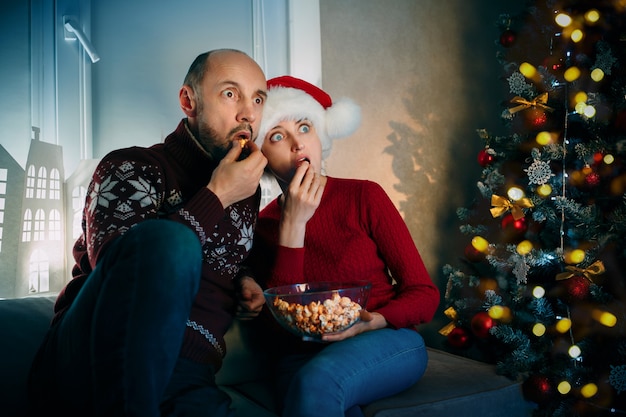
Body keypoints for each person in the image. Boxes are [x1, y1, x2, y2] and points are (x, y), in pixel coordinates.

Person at [27, 49, 268, 417]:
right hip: (93, 355)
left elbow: (227, 255)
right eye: (230, 93)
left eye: (258, 99)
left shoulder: (249, 192)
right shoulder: (131, 165)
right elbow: (123, 272)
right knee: (168, 241)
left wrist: (246, 280)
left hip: (188, 372)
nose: (247, 113)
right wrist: (217, 195)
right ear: (189, 101)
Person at [247, 75, 441, 417]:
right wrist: (293, 224)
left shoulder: (363, 196)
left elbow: (423, 293)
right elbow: (280, 329)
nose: (297, 144)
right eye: (277, 136)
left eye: (305, 127)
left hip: (385, 340)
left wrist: (374, 321)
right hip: (301, 355)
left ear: (321, 135)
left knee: (317, 384)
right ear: (262, 153)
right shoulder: (263, 225)